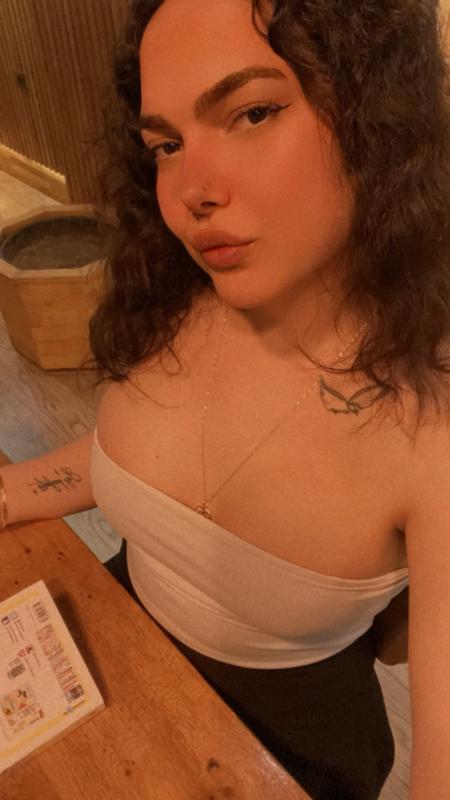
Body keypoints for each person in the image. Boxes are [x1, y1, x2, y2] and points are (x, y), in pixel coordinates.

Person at [1, 0, 450, 797]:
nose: (191, 193)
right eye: (166, 145)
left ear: (378, 118)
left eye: (252, 113)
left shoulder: (434, 420)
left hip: (289, 757)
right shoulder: (176, 295)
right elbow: (128, 464)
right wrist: (13, 491)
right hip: (116, 654)